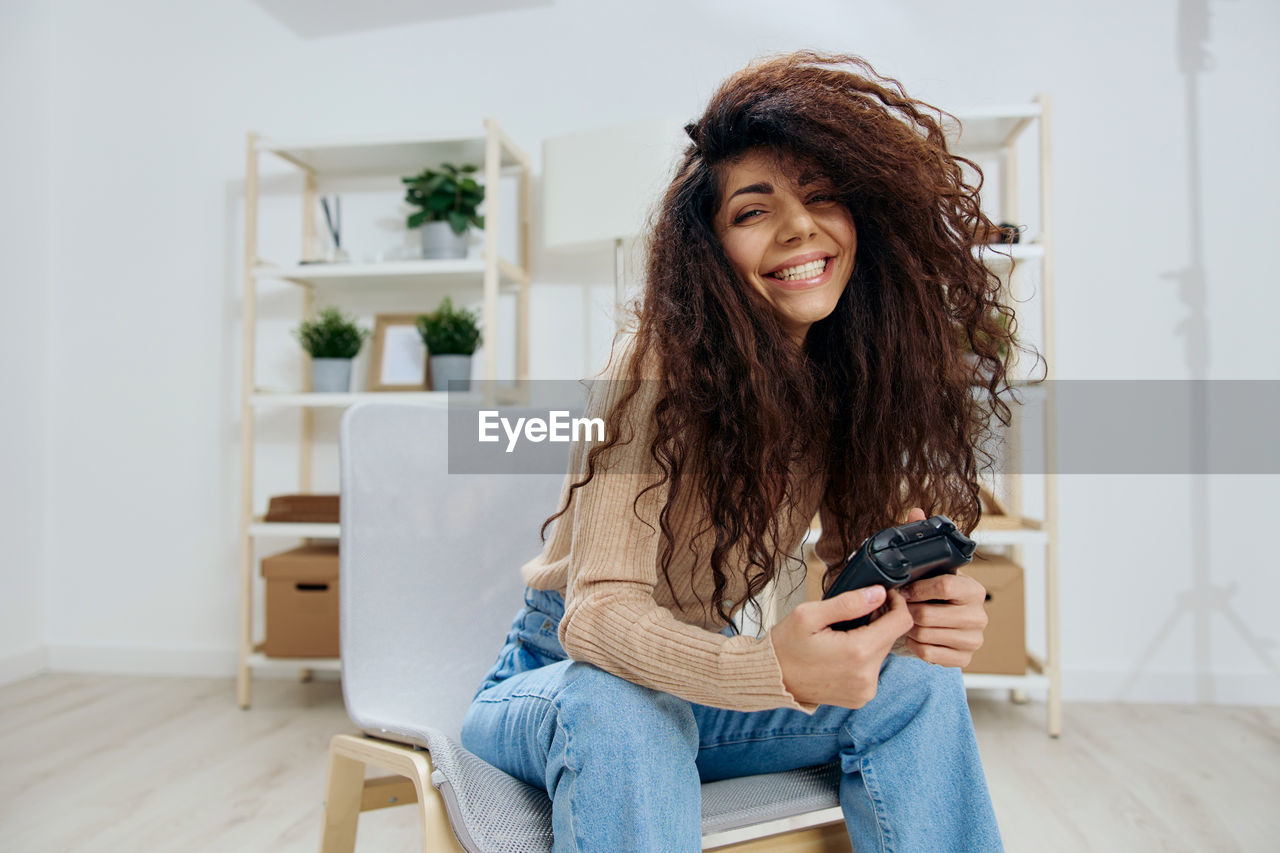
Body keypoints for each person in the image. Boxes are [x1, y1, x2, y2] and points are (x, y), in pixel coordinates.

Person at [461, 50, 1019, 852]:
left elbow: (850, 574)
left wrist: (920, 614)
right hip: (555, 680)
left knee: (919, 686)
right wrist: (772, 672)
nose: (800, 226)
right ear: (710, 247)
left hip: (694, 689)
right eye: (754, 211)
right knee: (625, 702)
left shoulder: (844, 377)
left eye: (822, 196)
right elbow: (597, 617)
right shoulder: (651, 364)